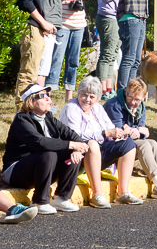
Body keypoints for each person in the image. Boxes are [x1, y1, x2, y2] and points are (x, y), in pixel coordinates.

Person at [2, 84, 88, 214]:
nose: (48, 98)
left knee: (71, 153)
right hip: (16, 171)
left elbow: (75, 137)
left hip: (42, 168)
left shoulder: (49, 119)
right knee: (49, 153)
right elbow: (40, 143)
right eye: (42, 96)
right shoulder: (22, 120)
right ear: (31, 101)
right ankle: (39, 201)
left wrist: (77, 149)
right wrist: (71, 144)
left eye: (48, 95)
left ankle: (61, 197)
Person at [58, 76, 143, 208]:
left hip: (98, 153)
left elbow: (109, 130)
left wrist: (120, 132)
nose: (87, 99)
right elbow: (75, 135)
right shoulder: (71, 108)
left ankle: (123, 192)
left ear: (97, 98)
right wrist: (103, 134)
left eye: (92, 97)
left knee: (129, 144)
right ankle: (97, 194)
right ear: (78, 93)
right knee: (92, 143)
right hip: (76, 154)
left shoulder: (97, 108)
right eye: (84, 95)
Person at [104, 78, 157, 200]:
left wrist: (136, 130)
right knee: (143, 145)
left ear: (144, 97)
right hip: (112, 146)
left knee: (152, 143)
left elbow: (143, 130)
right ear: (125, 92)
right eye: (130, 98)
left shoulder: (140, 108)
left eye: (137, 99)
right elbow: (118, 132)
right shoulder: (114, 105)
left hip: (128, 142)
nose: (133, 102)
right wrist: (136, 130)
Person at [15, 0, 57, 111]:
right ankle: (21, 113)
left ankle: (27, 112)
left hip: (35, 25)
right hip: (31, 26)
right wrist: (43, 22)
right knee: (28, 73)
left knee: (31, 73)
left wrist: (43, 24)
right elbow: (25, 0)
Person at [47, 0, 92, 102]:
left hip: (79, 23)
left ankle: (69, 96)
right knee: (56, 60)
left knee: (73, 61)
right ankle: (49, 95)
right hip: (63, 23)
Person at [36, 0, 67, 87]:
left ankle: (42, 95)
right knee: (41, 67)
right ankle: (37, 98)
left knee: (46, 66)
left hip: (54, 21)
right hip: (45, 21)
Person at [95, 0, 122, 100]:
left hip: (117, 17)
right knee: (106, 54)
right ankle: (101, 90)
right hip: (107, 17)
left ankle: (109, 89)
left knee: (112, 55)